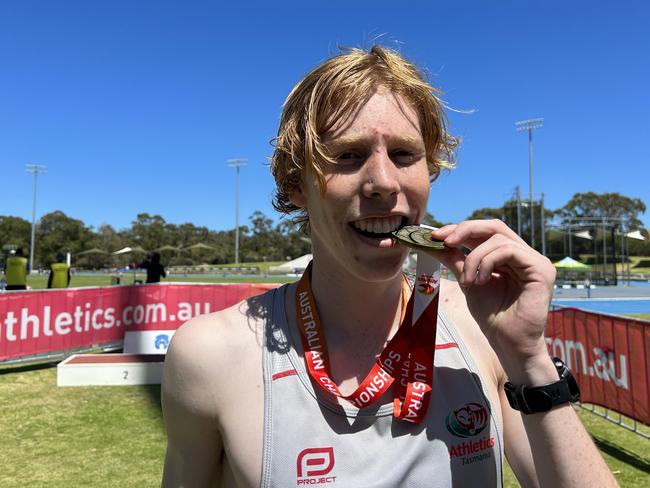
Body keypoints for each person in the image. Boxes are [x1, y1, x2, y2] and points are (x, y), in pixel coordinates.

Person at [162, 46, 617, 487]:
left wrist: (529, 359)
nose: (383, 181)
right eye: (348, 155)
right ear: (297, 183)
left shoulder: (480, 326)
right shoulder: (211, 355)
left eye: (403, 154)